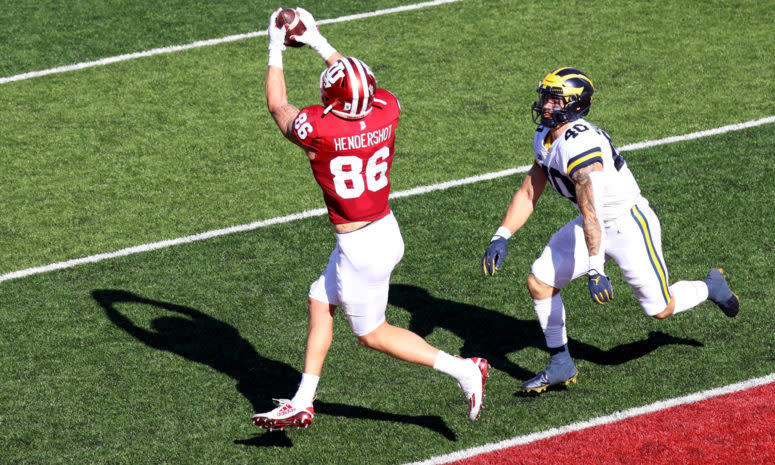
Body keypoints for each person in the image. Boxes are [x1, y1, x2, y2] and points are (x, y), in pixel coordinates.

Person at [252, 8, 489, 430]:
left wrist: (276, 45)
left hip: (360, 247)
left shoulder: (319, 130)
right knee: (319, 299)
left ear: (333, 99)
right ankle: (303, 399)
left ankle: (464, 370)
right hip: (382, 228)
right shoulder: (387, 110)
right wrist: (318, 42)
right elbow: (358, 84)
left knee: (372, 334)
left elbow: (277, 105)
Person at [481, 67, 739, 393]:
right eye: (545, 97)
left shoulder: (579, 146)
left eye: (553, 100)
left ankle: (710, 286)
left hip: (627, 224)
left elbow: (591, 214)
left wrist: (595, 269)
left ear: (574, 105)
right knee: (540, 281)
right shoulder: (547, 135)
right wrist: (502, 234)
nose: (545, 105)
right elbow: (532, 187)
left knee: (660, 309)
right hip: (595, 222)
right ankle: (560, 363)